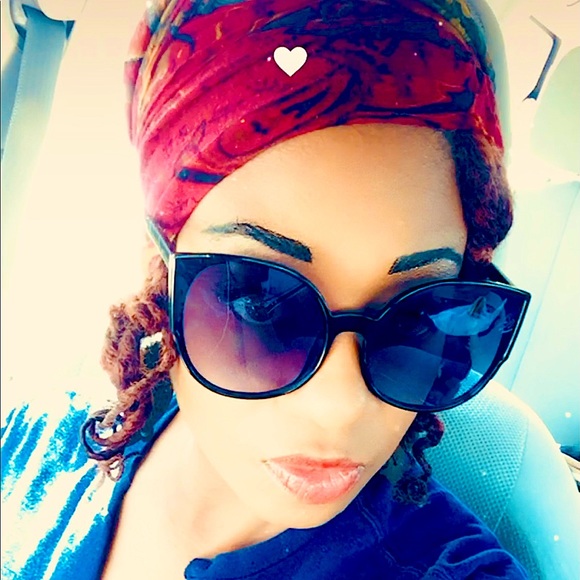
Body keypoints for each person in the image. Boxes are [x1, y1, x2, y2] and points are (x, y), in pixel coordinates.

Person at [1, 0, 533, 578]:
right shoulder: (29, 443)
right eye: (257, 302)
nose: (341, 407)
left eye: (418, 317)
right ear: (161, 272)